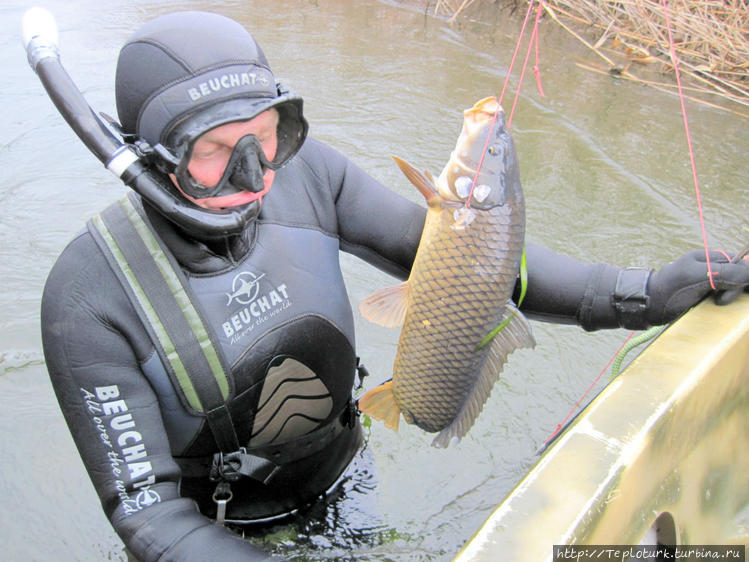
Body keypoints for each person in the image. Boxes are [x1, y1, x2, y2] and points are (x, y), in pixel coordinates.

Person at [39, 11, 749, 561]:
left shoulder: (311, 173)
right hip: (221, 531)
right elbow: (148, 516)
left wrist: (641, 294)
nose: (253, 179)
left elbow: (464, 259)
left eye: (264, 140)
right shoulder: (90, 295)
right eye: (214, 152)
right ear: (153, 153)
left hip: (347, 477)